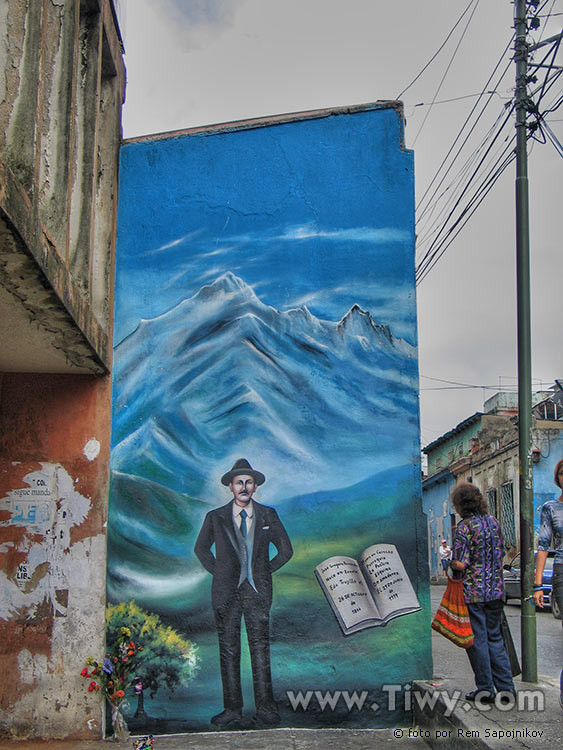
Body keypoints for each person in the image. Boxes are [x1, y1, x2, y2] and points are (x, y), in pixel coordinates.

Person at [194, 458, 293, 728]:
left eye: (249, 482)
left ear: (255, 486)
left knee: (260, 649)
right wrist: (221, 573)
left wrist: (263, 572)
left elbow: (285, 551)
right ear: (230, 486)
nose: (244, 487)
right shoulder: (215, 517)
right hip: (225, 594)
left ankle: (266, 709)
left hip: (258, 593)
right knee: (228, 650)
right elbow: (201, 549)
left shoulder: (268, 515)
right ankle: (232, 710)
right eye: (239, 482)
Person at [450, 482, 515, 703]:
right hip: (496, 591)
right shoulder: (493, 522)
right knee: (495, 638)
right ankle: (507, 689)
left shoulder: (465, 527)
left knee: (477, 640)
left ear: (461, 505)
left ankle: (485, 689)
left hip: (473, 592)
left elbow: (461, 563)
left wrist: (448, 562)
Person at [533, 457, 563, 708]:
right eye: (562, 473)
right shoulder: (550, 508)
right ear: (558, 478)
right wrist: (537, 585)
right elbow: (543, 546)